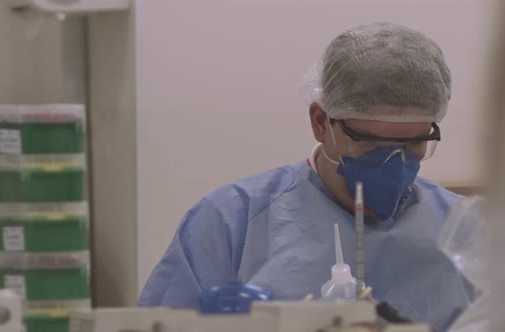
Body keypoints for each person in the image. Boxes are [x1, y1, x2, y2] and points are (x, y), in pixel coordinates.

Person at [138, 22, 475, 332]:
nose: (392, 163)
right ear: (319, 122)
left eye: (413, 142)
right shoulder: (230, 224)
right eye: (369, 142)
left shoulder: (466, 233)